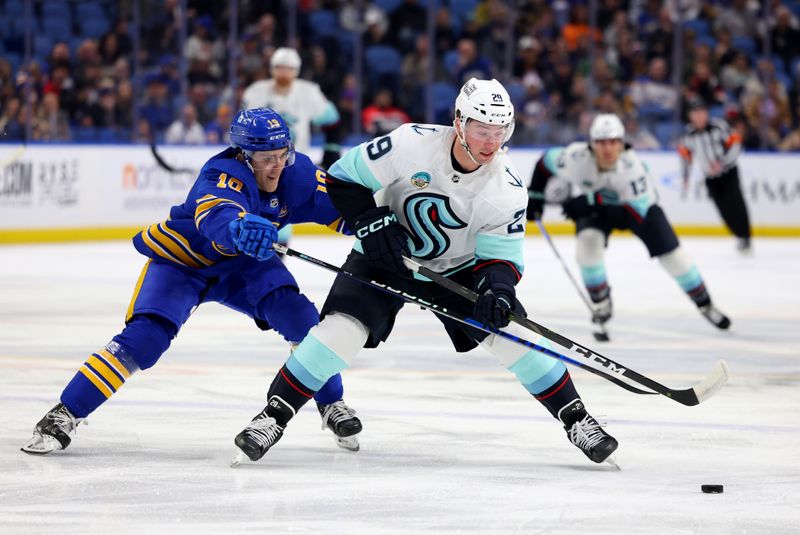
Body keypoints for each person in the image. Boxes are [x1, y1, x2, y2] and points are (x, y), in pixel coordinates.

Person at [232, 79, 619, 467]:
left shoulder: (507, 188)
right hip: (384, 256)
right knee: (340, 332)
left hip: (457, 270)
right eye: (482, 130)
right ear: (459, 122)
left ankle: (577, 419)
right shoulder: (409, 143)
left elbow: (500, 258)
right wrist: (370, 221)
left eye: (499, 132)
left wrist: (497, 291)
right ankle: (273, 416)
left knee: (513, 335)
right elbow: (341, 177)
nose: (490, 142)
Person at [21, 108, 363, 456]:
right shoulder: (221, 173)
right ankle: (65, 412)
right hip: (184, 262)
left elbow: (349, 212)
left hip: (243, 266)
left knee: (302, 321)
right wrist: (237, 228)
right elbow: (218, 213)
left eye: (281, 155)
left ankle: (332, 402)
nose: (276, 166)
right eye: (265, 159)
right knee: (145, 338)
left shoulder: (298, 172)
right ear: (244, 156)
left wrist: (385, 229)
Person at [526, 113, 731, 331]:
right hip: (596, 207)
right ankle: (601, 301)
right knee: (587, 249)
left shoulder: (632, 169)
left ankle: (705, 304)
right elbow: (544, 162)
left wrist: (591, 201)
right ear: (591, 144)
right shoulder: (576, 157)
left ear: (622, 144)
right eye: (601, 142)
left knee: (674, 257)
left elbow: (634, 214)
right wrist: (536, 196)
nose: (607, 149)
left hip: (639, 210)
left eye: (613, 142)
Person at [241, 47, 341, 170]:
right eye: (279, 67)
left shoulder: (309, 92)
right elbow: (242, 129)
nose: (284, 73)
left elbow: (332, 122)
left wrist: (330, 152)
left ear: (297, 70)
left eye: (289, 68)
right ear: (272, 68)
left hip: (296, 164)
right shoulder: (255, 92)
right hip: (260, 165)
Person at [677, 98, 752, 253]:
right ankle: (739, 235)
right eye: (695, 113)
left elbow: (736, 144)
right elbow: (686, 158)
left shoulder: (719, 126)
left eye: (701, 112)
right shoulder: (688, 135)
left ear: (706, 113)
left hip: (728, 174)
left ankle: (745, 236)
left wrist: (723, 162)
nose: (698, 117)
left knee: (737, 204)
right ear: (690, 116)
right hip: (710, 178)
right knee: (723, 209)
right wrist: (685, 178)